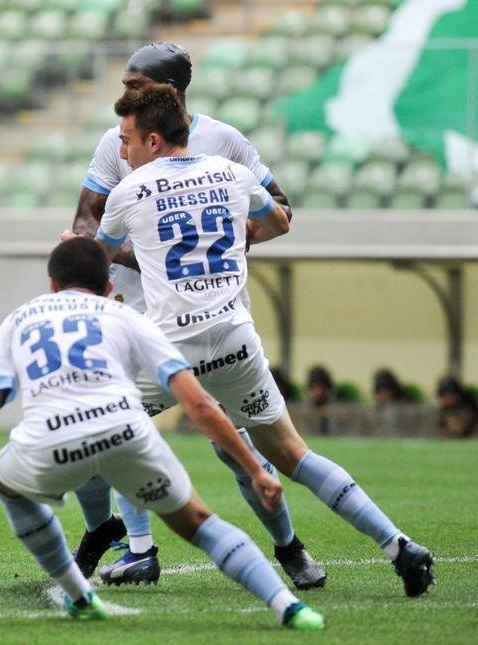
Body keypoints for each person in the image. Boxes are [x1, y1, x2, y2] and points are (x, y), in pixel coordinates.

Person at [93, 85, 435, 598]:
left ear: (156, 140)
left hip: (172, 353)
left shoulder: (128, 193)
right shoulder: (233, 174)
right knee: (294, 454)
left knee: (108, 422)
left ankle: (140, 551)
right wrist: (226, 238)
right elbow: (278, 221)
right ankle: (399, 545)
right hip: (236, 343)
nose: (123, 151)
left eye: (128, 141)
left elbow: (99, 261)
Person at [0, 236, 324, 630]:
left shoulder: (19, 319)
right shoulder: (127, 317)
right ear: (109, 289)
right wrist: (256, 469)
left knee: (4, 481)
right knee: (200, 522)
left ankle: (79, 595)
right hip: (125, 434)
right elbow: (199, 404)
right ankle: (289, 608)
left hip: (50, 443)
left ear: (52, 284)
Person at [65, 42, 321, 590]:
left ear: (168, 93)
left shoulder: (224, 140)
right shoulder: (118, 140)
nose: (125, 96)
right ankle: (139, 551)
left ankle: (289, 548)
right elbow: (86, 220)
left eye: (134, 86)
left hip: (210, 315)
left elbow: (281, 206)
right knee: (117, 428)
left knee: (236, 448)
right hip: (136, 311)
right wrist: (144, 255)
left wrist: (222, 241)